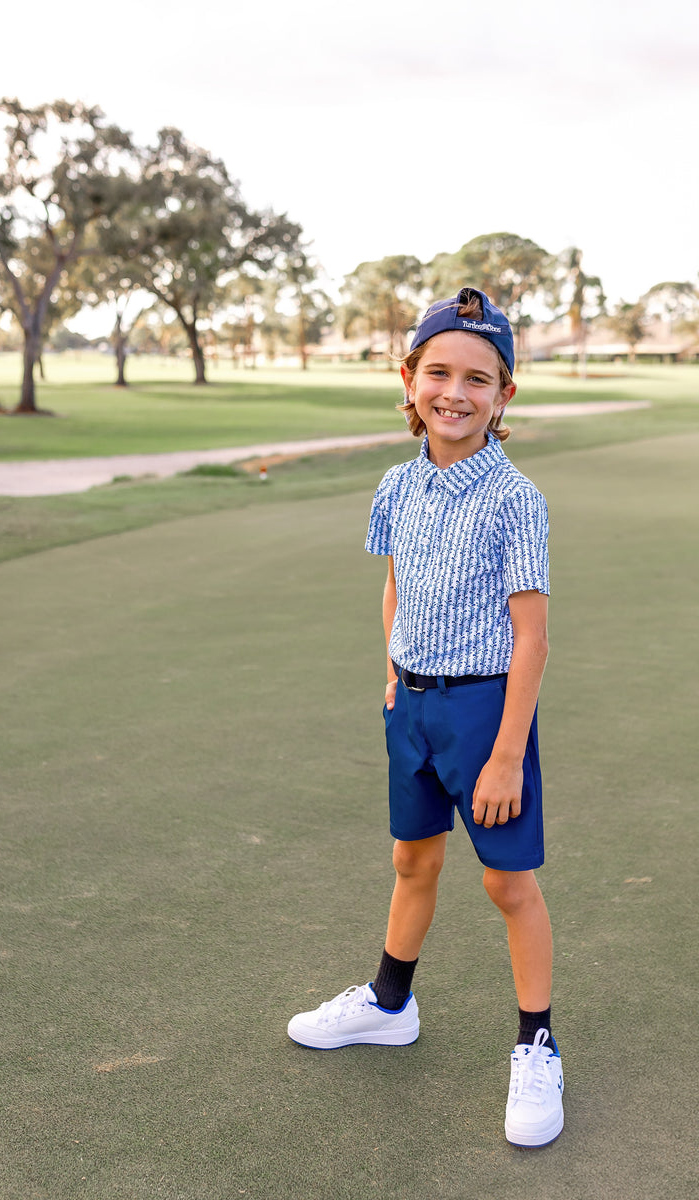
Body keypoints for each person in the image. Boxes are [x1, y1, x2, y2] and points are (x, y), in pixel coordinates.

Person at [287, 287, 564, 1149]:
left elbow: (533, 638)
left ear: (504, 394)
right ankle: (389, 1002)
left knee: (506, 884)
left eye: (477, 378)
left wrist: (507, 754)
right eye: (437, 371)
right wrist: (389, 680)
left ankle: (538, 1042)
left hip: (487, 713)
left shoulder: (515, 499)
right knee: (412, 862)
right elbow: (396, 584)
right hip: (411, 705)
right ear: (407, 380)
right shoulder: (395, 485)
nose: (455, 392)